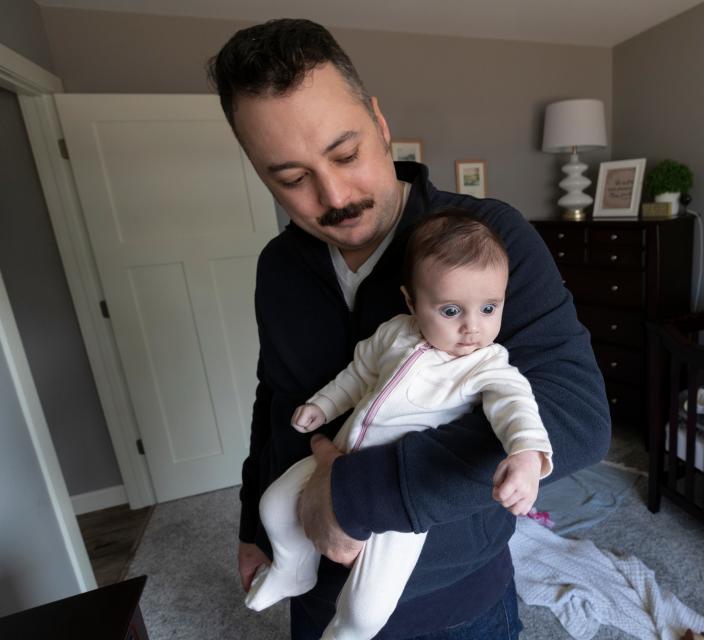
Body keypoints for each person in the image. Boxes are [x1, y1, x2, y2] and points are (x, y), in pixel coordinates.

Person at [206, 18, 611, 640]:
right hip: (313, 588)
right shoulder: (279, 268)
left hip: (456, 601)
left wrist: (353, 496)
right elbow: (276, 401)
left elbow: (577, 417)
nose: (335, 195)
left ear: (379, 122)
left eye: (346, 154)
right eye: (291, 178)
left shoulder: (490, 241)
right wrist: (254, 529)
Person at [246, 211, 554, 640]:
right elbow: (357, 375)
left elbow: (516, 406)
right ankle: (292, 569)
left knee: (371, 599)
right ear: (412, 302)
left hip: (402, 496)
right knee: (274, 504)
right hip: (338, 454)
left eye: (489, 307)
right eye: (450, 310)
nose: (473, 327)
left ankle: (348, 633)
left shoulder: (487, 364)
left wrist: (525, 455)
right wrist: (323, 404)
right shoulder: (393, 334)